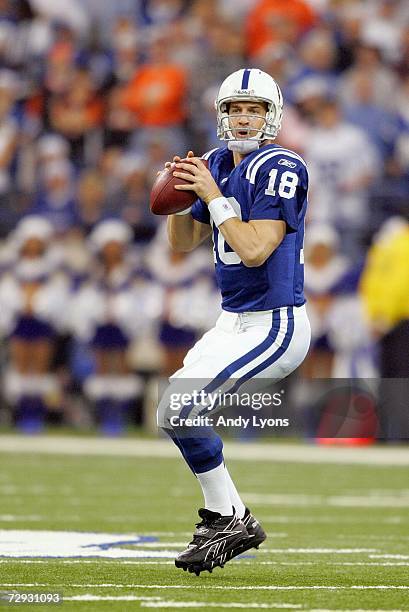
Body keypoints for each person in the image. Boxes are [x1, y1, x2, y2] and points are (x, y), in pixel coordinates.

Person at [156, 68, 311, 575]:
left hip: (274, 322)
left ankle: (232, 518)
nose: (244, 118)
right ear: (221, 114)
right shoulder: (218, 162)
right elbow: (182, 245)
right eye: (236, 109)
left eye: (255, 109)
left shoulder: (281, 165)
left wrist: (211, 194)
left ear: (273, 115)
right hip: (233, 321)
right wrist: (183, 194)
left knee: (181, 408)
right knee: (171, 412)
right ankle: (230, 516)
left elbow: (253, 249)